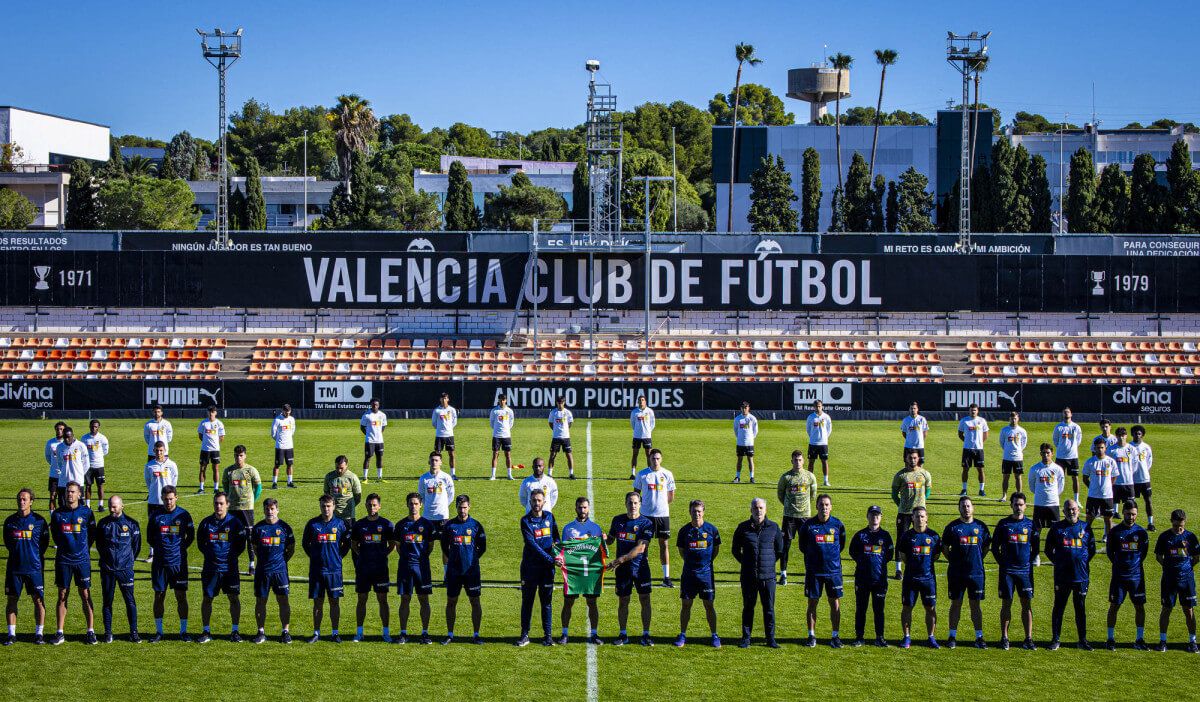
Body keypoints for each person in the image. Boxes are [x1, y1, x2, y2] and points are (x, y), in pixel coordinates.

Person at [732, 498, 784, 648]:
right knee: (748, 607)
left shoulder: (774, 528)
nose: (758, 511)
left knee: (769, 609)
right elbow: (735, 550)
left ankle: (770, 639)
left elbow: (780, 550)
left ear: (765, 510)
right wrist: (747, 563)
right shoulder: (742, 528)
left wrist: (768, 563)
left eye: (761, 508)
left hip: (768, 577)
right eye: (755, 508)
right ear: (751, 510)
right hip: (749, 576)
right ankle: (746, 638)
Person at [197, 491, 247, 643]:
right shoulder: (206, 523)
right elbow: (200, 544)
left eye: (221, 503)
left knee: (233, 598)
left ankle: (235, 631)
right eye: (216, 503)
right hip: (211, 568)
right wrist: (211, 556)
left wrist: (229, 557)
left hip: (230, 568)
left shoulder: (235, 523)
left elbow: (241, 545)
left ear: (227, 505)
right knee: (207, 598)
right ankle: (206, 631)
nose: (218, 506)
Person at [1044, 499, 1095, 650]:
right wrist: (1058, 562)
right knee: (1059, 607)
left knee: (1080, 608)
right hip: (1062, 576)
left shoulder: (1086, 527)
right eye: (1068, 510)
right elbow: (1047, 549)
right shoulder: (1056, 528)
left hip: (1081, 576)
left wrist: (1082, 562)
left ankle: (1082, 640)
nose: (1071, 512)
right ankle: (1055, 639)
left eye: (1073, 509)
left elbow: (1091, 550)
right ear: (1063, 512)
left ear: (1078, 510)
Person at [49, 481, 96, 645]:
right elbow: (55, 535)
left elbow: (91, 535)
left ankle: (90, 631)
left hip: (82, 560)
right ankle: (60, 632)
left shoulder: (87, 513)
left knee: (85, 595)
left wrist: (82, 549)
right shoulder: (57, 514)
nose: (69, 494)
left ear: (79, 494)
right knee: (62, 594)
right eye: (68, 491)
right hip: (63, 560)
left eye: (73, 492)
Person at [942, 495, 991, 649]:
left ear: (973, 508)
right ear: (959, 509)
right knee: (955, 604)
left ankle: (979, 637)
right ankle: (952, 636)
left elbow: (986, 547)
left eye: (968, 506)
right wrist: (954, 560)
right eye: (963, 506)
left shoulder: (981, 527)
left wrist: (977, 559)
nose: (966, 508)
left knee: (975, 605)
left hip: (976, 573)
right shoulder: (952, 527)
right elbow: (944, 548)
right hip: (957, 573)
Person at [606, 491, 654, 646]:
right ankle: (623, 634)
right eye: (630, 502)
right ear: (625, 503)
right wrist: (601, 538)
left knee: (645, 599)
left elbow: (641, 548)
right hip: (623, 570)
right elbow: (611, 540)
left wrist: (621, 559)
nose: (632, 506)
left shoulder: (646, 523)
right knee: (623, 601)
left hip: (640, 568)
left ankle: (646, 634)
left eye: (635, 503)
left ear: (640, 504)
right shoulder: (617, 520)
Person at [992, 492, 1038, 650]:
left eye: (1021, 504)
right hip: (1008, 572)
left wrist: (1028, 562)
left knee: (1026, 605)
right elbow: (994, 547)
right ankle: (1004, 637)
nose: (1018, 507)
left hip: (1025, 572)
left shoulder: (1031, 525)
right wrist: (1003, 564)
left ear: (1025, 506)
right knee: (1006, 604)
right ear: (1011, 505)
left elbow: (1036, 548)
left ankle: (1028, 638)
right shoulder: (1004, 524)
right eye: (1016, 504)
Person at [798, 494, 846, 648]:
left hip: (833, 572)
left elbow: (842, 545)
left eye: (827, 505)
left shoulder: (838, 525)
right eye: (821, 504)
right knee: (812, 603)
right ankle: (811, 636)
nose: (824, 507)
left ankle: (835, 636)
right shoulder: (808, 526)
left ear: (831, 507)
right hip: (814, 572)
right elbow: (802, 547)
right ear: (816, 506)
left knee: (835, 604)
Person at [148, 486, 194, 642]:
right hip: (160, 564)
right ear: (162, 498)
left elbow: (191, 536)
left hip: (178, 563)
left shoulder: (184, 515)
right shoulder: (155, 516)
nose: (168, 502)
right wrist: (162, 549)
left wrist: (179, 549)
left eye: (171, 498)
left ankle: (183, 631)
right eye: (166, 499)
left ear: (176, 498)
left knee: (181, 596)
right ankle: (159, 631)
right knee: (159, 595)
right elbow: (150, 538)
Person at [3, 488, 49, 645]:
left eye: (24, 499)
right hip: (14, 568)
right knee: (12, 600)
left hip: (34, 568)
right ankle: (11, 634)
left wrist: (33, 556)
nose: (21, 502)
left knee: (38, 600)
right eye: (19, 499)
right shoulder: (9, 521)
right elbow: (8, 543)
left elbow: (44, 544)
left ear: (31, 501)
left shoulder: (39, 521)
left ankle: (39, 634)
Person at [303, 494, 350, 643]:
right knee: (318, 602)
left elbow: (347, 544)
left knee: (334, 601)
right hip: (317, 570)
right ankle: (316, 632)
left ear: (334, 507)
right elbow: (305, 544)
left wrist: (337, 556)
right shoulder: (312, 524)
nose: (326, 509)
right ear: (320, 507)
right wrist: (315, 557)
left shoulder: (340, 524)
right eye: (323, 506)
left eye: (328, 506)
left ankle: (335, 633)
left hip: (334, 570)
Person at [517, 488, 561, 647]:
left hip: (547, 569)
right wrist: (551, 559)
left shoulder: (550, 516)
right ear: (530, 502)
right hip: (530, 568)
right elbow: (532, 545)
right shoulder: (525, 521)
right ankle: (524, 635)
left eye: (539, 500)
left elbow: (556, 536)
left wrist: (558, 553)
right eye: (534, 500)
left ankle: (548, 636)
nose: (536, 503)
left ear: (544, 502)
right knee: (527, 601)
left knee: (546, 602)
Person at [675, 499, 721, 648]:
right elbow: (682, 551)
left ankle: (714, 635)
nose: (697, 514)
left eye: (699, 511)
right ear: (690, 512)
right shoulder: (684, 531)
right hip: (689, 574)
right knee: (686, 604)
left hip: (706, 574)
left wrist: (705, 563)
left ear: (703, 512)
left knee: (709, 605)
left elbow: (715, 550)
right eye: (694, 511)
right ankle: (682, 634)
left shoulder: (712, 530)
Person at [95, 495, 140, 643]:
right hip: (108, 569)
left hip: (125, 569)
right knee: (107, 601)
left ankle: (133, 632)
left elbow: (136, 547)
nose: (112, 510)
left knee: (130, 601)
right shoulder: (102, 524)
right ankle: (108, 632)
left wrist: (128, 561)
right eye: (110, 507)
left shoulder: (132, 524)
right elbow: (100, 545)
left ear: (122, 506)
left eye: (115, 506)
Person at [442, 494, 486, 645]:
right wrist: (454, 558)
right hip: (454, 571)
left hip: (471, 571)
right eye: (460, 508)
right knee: (451, 602)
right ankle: (450, 634)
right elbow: (444, 547)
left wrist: (472, 559)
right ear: (456, 508)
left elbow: (483, 547)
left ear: (469, 507)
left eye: (465, 507)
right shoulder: (449, 526)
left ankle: (476, 634)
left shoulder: (476, 525)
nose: (462, 510)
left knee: (475, 601)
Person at [1105, 499, 1149, 650]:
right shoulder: (1115, 532)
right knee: (1114, 606)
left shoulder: (1141, 533)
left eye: (1134, 514)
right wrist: (1120, 565)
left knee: (1139, 607)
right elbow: (1110, 552)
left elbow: (1143, 553)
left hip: (1136, 577)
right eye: (1128, 514)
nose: (1131, 517)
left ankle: (1139, 639)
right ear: (1123, 513)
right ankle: (1110, 638)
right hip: (1119, 576)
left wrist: (1133, 565)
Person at [393, 491, 437, 644]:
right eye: (411, 503)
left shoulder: (427, 525)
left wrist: (421, 558)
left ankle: (425, 633)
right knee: (405, 599)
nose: (413, 506)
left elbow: (430, 545)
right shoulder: (400, 525)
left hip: (422, 567)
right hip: (405, 566)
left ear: (421, 505)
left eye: (416, 504)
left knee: (423, 599)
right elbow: (397, 547)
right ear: (407, 504)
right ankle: (403, 633)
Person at [560, 496, 603, 645]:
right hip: (573, 573)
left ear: (589, 508)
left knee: (592, 602)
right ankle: (564, 633)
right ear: (575, 508)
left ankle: (594, 633)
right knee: (568, 602)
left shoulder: (596, 528)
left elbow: (600, 551)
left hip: (590, 573)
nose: (582, 510)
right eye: (580, 507)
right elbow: (563, 549)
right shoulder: (568, 528)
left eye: (585, 507)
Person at [351, 493, 394, 643]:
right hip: (363, 569)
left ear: (379, 506)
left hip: (380, 569)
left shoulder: (387, 524)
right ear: (365, 506)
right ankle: (359, 632)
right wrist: (363, 556)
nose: (371, 507)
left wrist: (382, 555)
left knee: (383, 599)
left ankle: (386, 632)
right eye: (369, 504)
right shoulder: (359, 525)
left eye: (374, 504)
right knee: (361, 599)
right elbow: (354, 545)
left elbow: (392, 545)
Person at [1155, 509, 1199, 653]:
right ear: (1171, 522)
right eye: (1175, 526)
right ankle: (1162, 641)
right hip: (1169, 579)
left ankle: (1192, 642)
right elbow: (1159, 556)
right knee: (1166, 609)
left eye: (1180, 526)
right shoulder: (1164, 537)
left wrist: (1186, 568)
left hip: (1187, 579)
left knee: (1189, 610)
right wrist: (1168, 567)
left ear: (1184, 522)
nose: (1178, 529)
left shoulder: (1191, 537)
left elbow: (1197, 557)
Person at [251, 498, 295, 644]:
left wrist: (281, 562)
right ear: (264, 510)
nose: (270, 512)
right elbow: (255, 549)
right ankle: (261, 631)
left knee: (283, 600)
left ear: (277, 510)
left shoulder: (285, 528)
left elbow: (291, 549)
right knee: (261, 601)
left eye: (272, 509)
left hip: (280, 571)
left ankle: (285, 631)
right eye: (267, 509)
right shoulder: (257, 529)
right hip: (263, 571)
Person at [849, 505, 893, 647]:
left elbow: (889, 555)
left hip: (879, 579)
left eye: (877, 515)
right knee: (861, 608)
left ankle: (879, 637)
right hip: (862, 578)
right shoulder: (860, 535)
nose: (875, 517)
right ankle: (859, 637)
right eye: (872, 514)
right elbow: (852, 552)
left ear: (881, 517)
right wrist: (863, 562)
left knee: (879, 609)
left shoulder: (885, 536)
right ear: (867, 516)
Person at [897, 506, 941, 649]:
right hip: (911, 579)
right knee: (907, 607)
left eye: (922, 516)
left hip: (928, 580)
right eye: (917, 516)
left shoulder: (933, 537)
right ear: (912, 519)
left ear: (927, 518)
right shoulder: (906, 536)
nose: (920, 519)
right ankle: (907, 637)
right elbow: (903, 556)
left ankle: (931, 637)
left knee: (930, 608)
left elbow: (935, 556)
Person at [633, 448, 676, 588]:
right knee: (643, 546)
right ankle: (641, 575)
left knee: (664, 545)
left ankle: (666, 577)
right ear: (649, 459)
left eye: (658, 458)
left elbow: (671, 496)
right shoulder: (642, 475)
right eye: (653, 458)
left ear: (661, 459)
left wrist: (660, 505)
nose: (655, 461)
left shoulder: (668, 474)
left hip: (663, 515)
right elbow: (636, 495)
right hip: (645, 516)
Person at [890, 448, 932, 579]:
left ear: (918, 458)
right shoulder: (900, 475)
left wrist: (921, 505)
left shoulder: (925, 474)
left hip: (920, 514)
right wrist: (901, 505)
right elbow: (894, 494)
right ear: (905, 459)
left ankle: (921, 565)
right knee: (901, 539)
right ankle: (898, 569)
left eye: (915, 458)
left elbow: (928, 491)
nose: (912, 460)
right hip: (904, 513)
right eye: (910, 458)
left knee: (922, 539)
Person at [777, 449, 817, 586]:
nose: (798, 462)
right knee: (785, 546)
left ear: (803, 461)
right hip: (789, 516)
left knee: (807, 547)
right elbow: (780, 495)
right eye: (795, 460)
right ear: (791, 461)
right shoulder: (786, 477)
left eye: (800, 460)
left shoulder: (810, 476)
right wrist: (789, 506)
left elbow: (813, 494)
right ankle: (783, 574)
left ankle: (808, 574)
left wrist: (804, 507)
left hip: (805, 516)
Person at [222, 445, 262, 574]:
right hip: (233, 508)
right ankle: (232, 563)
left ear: (245, 456)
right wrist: (229, 499)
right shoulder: (228, 471)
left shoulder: (251, 470)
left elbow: (259, 487)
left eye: (241, 455)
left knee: (249, 536)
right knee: (232, 536)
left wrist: (252, 501)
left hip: (247, 509)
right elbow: (225, 486)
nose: (238, 458)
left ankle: (251, 564)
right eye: (236, 455)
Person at [1029, 443, 1066, 567]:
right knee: (1036, 531)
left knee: (1056, 531)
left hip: (1053, 504)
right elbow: (1032, 486)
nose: (1045, 455)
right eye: (1043, 453)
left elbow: (1061, 486)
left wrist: (1053, 495)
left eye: (1048, 453)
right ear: (1040, 454)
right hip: (1039, 504)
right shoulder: (1035, 469)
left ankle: (1055, 553)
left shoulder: (1057, 469)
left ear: (1052, 453)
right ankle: (1035, 555)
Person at [143, 441, 179, 563]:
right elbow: (148, 482)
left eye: (161, 450)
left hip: (168, 502)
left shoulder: (172, 465)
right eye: (157, 450)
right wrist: (154, 491)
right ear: (153, 451)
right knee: (153, 526)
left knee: (169, 526)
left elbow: (174, 480)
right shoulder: (149, 465)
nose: (159, 453)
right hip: (153, 501)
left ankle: (169, 550)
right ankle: (152, 553)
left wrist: (170, 496)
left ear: (165, 451)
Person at [1083, 437, 1117, 540]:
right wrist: (1092, 487)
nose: (1100, 450)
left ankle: (1107, 536)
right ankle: (1086, 536)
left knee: (1108, 518)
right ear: (1095, 448)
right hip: (1093, 495)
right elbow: (1085, 478)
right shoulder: (1090, 462)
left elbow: (1114, 476)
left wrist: (1108, 486)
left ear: (1105, 448)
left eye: (1102, 447)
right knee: (1089, 517)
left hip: (1107, 496)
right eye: (1098, 448)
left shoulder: (1111, 462)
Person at [957, 403, 989, 497]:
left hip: (979, 449)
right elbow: (960, 433)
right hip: (967, 449)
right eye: (971, 410)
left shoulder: (982, 421)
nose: (973, 412)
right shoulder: (964, 421)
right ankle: (964, 489)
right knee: (965, 469)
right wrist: (966, 441)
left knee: (980, 469)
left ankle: (981, 490)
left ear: (977, 411)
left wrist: (980, 442)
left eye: (974, 410)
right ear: (969, 411)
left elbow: (986, 433)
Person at [1053, 407, 1083, 503]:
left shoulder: (1076, 427)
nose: (1066, 414)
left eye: (1068, 412)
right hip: (1060, 457)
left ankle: (1076, 500)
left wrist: (1072, 448)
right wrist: (1062, 448)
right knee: (1058, 478)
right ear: (1062, 414)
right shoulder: (1059, 427)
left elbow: (1078, 440)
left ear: (1071, 414)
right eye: (1064, 412)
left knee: (1075, 478)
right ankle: (1056, 497)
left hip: (1073, 457)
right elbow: (1055, 440)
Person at [323, 455, 363, 528]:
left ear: (346, 465)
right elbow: (326, 495)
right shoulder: (329, 476)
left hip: (348, 516)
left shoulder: (352, 477)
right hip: (333, 515)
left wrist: (350, 506)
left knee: (349, 537)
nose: (339, 470)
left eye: (341, 468)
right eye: (337, 468)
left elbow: (358, 497)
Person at [56, 426, 89, 509]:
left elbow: (86, 464)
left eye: (69, 437)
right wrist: (65, 471)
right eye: (65, 437)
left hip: (78, 481)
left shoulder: (81, 446)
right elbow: (60, 463)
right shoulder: (59, 447)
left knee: (80, 506)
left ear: (73, 435)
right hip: (63, 481)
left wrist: (80, 473)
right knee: (62, 506)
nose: (67, 439)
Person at [998, 411, 1028, 502]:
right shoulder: (1005, 430)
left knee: (1018, 477)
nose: (1013, 420)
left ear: (1018, 419)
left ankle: (1019, 495)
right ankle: (1004, 496)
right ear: (1009, 419)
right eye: (1012, 418)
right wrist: (1008, 450)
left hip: (1018, 458)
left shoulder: (1022, 431)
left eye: (1015, 418)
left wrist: (1018, 450)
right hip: (1007, 457)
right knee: (1005, 477)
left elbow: (1024, 443)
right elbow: (1002, 442)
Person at [417, 452, 455, 524]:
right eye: (432, 460)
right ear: (429, 462)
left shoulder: (446, 477)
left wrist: (443, 506)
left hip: (442, 516)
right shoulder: (423, 478)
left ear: (441, 462)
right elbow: (421, 496)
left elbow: (451, 495)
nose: (434, 462)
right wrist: (428, 506)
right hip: (427, 516)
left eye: (436, 460)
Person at [1130, 425, 1155, 531]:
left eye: (1139, 433)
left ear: (1142, 435)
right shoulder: (1128, 447)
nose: (1137, 435)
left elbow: (1149, 462)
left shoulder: (1146, 447)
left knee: (1148, 500)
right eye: (1135, 433)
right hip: (1132, 479)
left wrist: (1143, 471)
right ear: (1132, 434)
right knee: (1131, 503)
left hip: (1144, 479)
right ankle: (1131, 523)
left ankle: (1150, 523)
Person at [196, 405, 225, 494]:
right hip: (205, 449)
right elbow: (200, 435)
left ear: (215, 413)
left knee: (215, 468)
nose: (211, 413)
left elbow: (222, 437)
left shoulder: (219, 423)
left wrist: (214, 444)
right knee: (202, 469)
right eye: (209, 412)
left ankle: (216, 488)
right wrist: (206, 443)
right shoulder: (203, 423)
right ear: (207, 412)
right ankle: (201, 488)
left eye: (212, 412)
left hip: (215, 450)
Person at [81, 419, 109, 510]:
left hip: (99, 465)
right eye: (92, 426)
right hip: (88, 466)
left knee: (100, 485)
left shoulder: (102, 438)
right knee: (88, 485)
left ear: (98, 427)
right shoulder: (84, 438)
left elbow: (105, 450)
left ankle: (100, 504)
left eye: (96, 427)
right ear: (89, 427)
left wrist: (98, 457)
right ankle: (88, 505)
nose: (94, 428)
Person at [547, 397, 576, 479]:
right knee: (552, 455)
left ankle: (571, 473)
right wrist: (556, 430)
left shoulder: (567, 413)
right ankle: (549, 474)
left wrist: (565, 431)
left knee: (569, 455)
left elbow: (570, 423)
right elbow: (550, 423)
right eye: (559, 402)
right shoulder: (553, 412)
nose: (560, 404)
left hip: (566, 437)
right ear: (557, 403)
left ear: (564, 402)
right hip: (556, 437)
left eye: (562, 402)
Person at [360, 398, 388, 483]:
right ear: (370, 405)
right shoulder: (366, 415)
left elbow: (383, 426)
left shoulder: (382, 415)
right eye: (373, 404)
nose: (374, 406)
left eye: (376, 404)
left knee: (380, 458)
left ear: (378, 405)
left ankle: (379, 477)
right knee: (367, 458)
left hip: (379, 441)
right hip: (370, 441)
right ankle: (365, 478)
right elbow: (362, 427)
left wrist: (378, 434)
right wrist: (368, 435)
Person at [806, 400, 833, 487]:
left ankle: (826, 480)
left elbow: (829, 429)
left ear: (822, 406)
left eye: (819, 406)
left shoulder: (826, 417)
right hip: (813, 443)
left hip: (823, 443)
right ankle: (810, 481)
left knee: (824, 461)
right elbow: (808, 430)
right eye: (816, 406)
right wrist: (813, 437)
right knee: (811, 462)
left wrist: (824, 437)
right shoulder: (811, 417)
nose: (818, 408)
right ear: (813, 407)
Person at [432, 393, 459, 480]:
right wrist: (440, 429)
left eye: (445, 398)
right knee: (437, 455)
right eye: (442, 398)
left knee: (451, 454)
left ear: (448, 399)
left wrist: (449, 428)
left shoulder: (452, 410)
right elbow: (434, 423)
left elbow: (455, 421)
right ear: (440, 399)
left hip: (449, 435)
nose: (444, 400)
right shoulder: (437, 410)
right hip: (439, 435)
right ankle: (437, 473)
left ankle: (453, 474)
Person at [270, 403, 297, 489]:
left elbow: (293, 430)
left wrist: (288, 439)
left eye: (289, 413)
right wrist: (279, 440)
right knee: (277, 465)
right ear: (283, 411)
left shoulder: (292, 419)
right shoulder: (277, 420)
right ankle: (274, 483)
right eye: (286, 413)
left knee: (290, 464)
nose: (288, 414)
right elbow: (273, 433)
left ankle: (290, 482)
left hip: (289, 446)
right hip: (280, 447)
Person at [489, 394, 515, 481]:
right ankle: (493, 475)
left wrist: (506, 429)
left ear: (506, 400)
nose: (502, 401)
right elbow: (491, 422)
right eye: (500, 399)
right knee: (495, 454)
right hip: (496, 435)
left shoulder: (510, 411)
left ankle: (509, 474)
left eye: (504, 400)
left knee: (508, 455)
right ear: (498, 400)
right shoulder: (494, 411)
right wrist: (497, 429)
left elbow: (511, 422)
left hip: (506, 436)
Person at [732, 401, 759, 484]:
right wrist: (739, 438)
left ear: (748, 408)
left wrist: (751, 438)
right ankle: (737, 477)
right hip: (740, 443)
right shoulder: (737, 419)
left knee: (750, 460)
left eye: (746, 407)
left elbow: (755, 431)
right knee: (739, 460)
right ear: (741, 408)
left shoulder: (752, 418)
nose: (744, 409)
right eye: (743, 407)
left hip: (749, 443)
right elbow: (736, 430)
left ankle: (752, 477)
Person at [629, 395, 655, 480]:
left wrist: (647, 431)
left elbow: (652, 424)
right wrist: (637, 431)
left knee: (648, 455)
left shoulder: (650, 411)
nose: (641, 401)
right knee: (635, 454)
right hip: (636, 436)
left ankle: (650, 473)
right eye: (640, 400)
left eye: (643, 400)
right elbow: (632, 424)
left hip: (647, 436)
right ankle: (633, 473)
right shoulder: (634, 412)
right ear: (638, 402)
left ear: (645, 401)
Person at [1110, 428, 1137, 508]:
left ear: (1126, 436)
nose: (1121, 437)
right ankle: (1115, 512)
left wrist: (1130, 472)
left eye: (1123, 435)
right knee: (1114, 501)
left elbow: (1135, 463)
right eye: (1119, 436)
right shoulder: (1111, 449)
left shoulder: (1131, 449)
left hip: (1128, 481)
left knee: (1130, 505)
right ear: (1116, 436)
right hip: (1116, 481)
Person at [44, 421, 66, 511]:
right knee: (52, 497)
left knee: (63, 499)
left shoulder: (67, 443)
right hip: (53, 475)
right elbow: (48, 456)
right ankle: (53, 519)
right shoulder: (50, 443)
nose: (59, 431)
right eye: (57, 429)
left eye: (61, 429)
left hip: (64, 475)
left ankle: (62, 518)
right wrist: (54, 465)